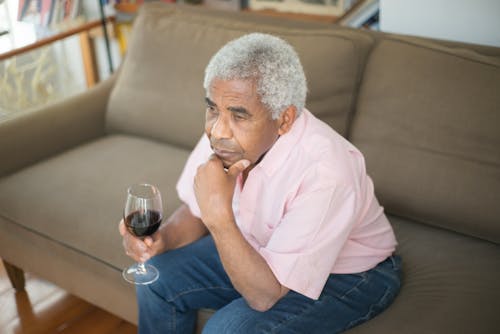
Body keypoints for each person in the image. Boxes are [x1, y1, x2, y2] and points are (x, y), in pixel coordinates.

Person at [119, 33, 401, 334]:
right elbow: (194, 209)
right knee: (157, 278)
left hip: (351, 274)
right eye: (213, 108)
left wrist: (220, 217)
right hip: (261, 247)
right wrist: (164, 240)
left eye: (239, 116)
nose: (217, 130)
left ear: (284, 120)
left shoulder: (327, 171)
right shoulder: (224, 135)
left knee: (225, 331)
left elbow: (265, 296)